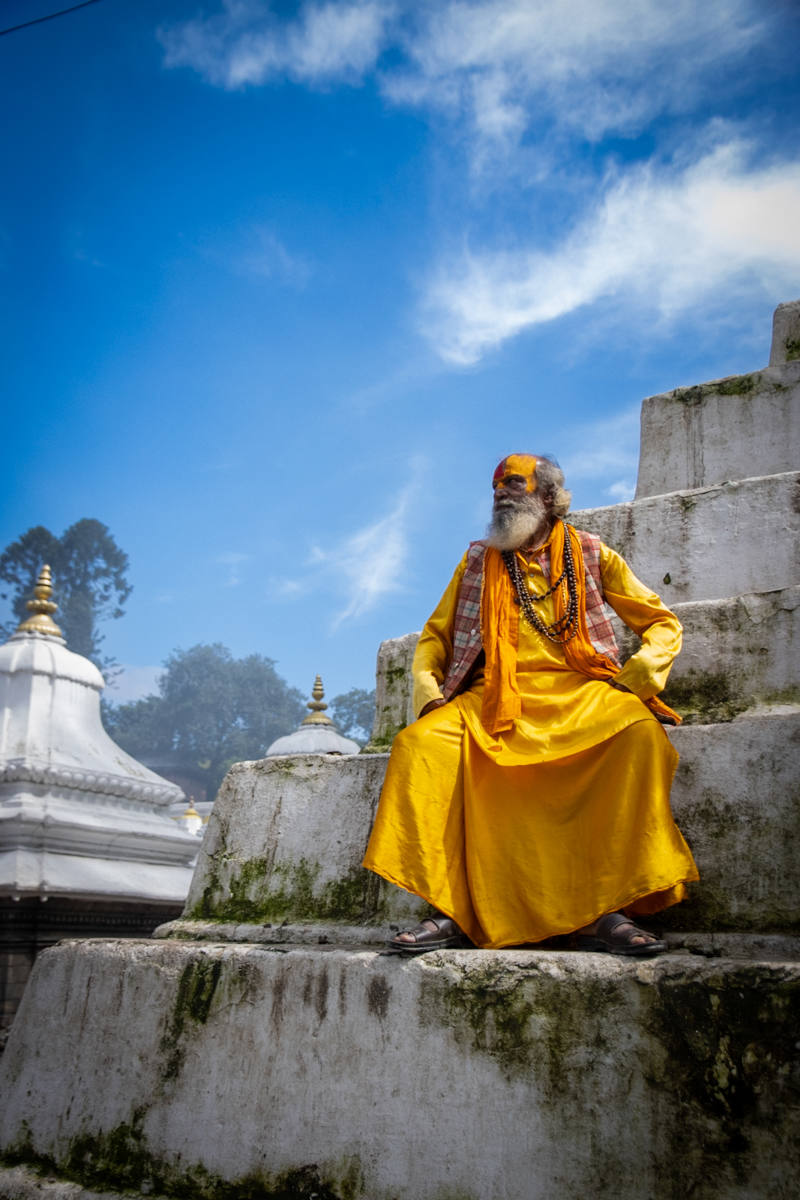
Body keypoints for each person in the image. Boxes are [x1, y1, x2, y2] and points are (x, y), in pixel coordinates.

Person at [362, 453, 699, 956]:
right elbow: (435, 638)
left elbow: (661, 623)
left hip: (580, 692)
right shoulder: (478, 559)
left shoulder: (590, 552)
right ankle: (451, 912)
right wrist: (431, 696)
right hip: (493, 697)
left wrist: (636, 679)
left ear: (547, 497)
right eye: (496, 487)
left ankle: (609, 910)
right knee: (419, 747)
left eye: (513, 485)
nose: (500, 494)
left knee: (640, 736)